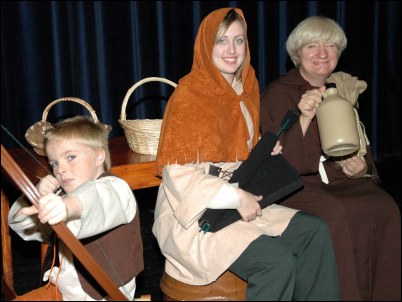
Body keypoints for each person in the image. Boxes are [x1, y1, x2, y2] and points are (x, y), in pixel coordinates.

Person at [152, 8, 339, 301]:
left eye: (239, 41)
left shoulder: (246, 88)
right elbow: (177, 174)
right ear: (205, 46)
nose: (231, 49)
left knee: (314, 231)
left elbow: (238, 154)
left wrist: (262, 154)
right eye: (221, 41)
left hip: (238, 194)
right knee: (276, 262)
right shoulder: (189, 95)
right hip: (196, 212)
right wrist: (235, 197)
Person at [260, 16, 401, 301]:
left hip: (339, 179)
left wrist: (362, 167)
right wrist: (303, 116)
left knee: (386, 206)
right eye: (312, 46)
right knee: (338, 213)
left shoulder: (341, 88)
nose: (322, 54)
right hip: (297, 185)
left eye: (331, 46)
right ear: (297, 53)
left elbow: (357, 143)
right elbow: (278, 161)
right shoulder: (279, 92)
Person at [8, 116, 144, 301]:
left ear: (99, 156)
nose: (60, 169)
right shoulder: (61, 196)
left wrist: (66, 206)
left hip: (104, 296)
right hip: (62, 292)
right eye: (54, 163)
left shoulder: (117, 189)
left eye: (71, 157)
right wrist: (36, 199)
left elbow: (95, 198)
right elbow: (23, 227)